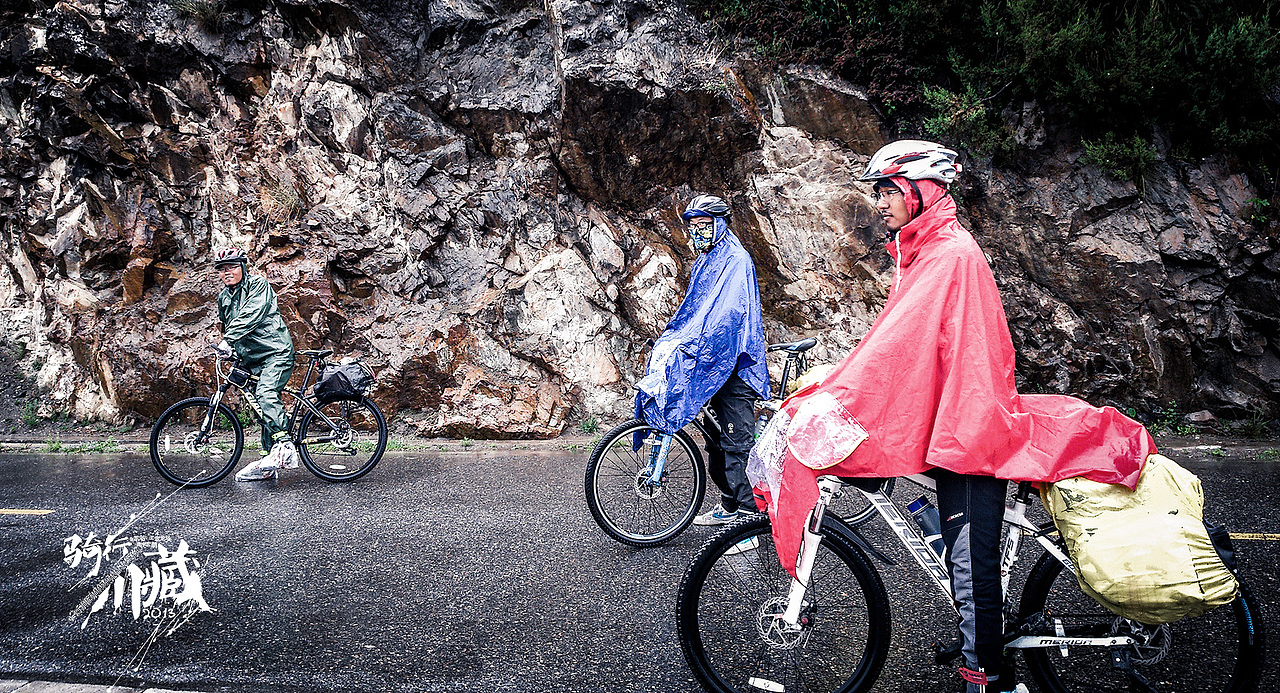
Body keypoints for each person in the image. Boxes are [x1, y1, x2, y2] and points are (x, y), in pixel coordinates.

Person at [760, 141, 1154, 693]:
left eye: (889, 191)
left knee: (972, 572)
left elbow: (895, 352)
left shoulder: (948, 255)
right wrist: (838, 383)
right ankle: (991, 657)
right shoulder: (925, 250)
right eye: (878, 192)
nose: (880, 202)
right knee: (955, 548)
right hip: (956, 417)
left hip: (969, 429)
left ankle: (986, 680)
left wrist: (840, 395)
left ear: (922, 191)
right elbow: (897, 344)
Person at [633, 194, 770, 526]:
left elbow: (728, 317)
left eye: (704, 225)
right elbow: (694, 312)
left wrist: (697, 344)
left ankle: (749, 525)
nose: (698, 231)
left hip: (735, 365)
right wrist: (676, 339)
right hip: (713, 363)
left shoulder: (736, 260)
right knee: (715, 444)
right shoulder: (706, 261)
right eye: (693, 226)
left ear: (720, 224)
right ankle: (729, 506)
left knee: (736, 446)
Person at [211, 247, 299, 482]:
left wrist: (228, 340)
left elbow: (251, 315)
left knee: (266, 393)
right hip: (251, 358)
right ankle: (267, 463)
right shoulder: (224, 298)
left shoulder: (258, 285)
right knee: (260, 408)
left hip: (275, 352)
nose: (227, 272)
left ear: (243, 267)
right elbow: (228, 325)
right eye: (222, 269)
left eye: (232, 266)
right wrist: (230, 350)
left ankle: (285, 445)